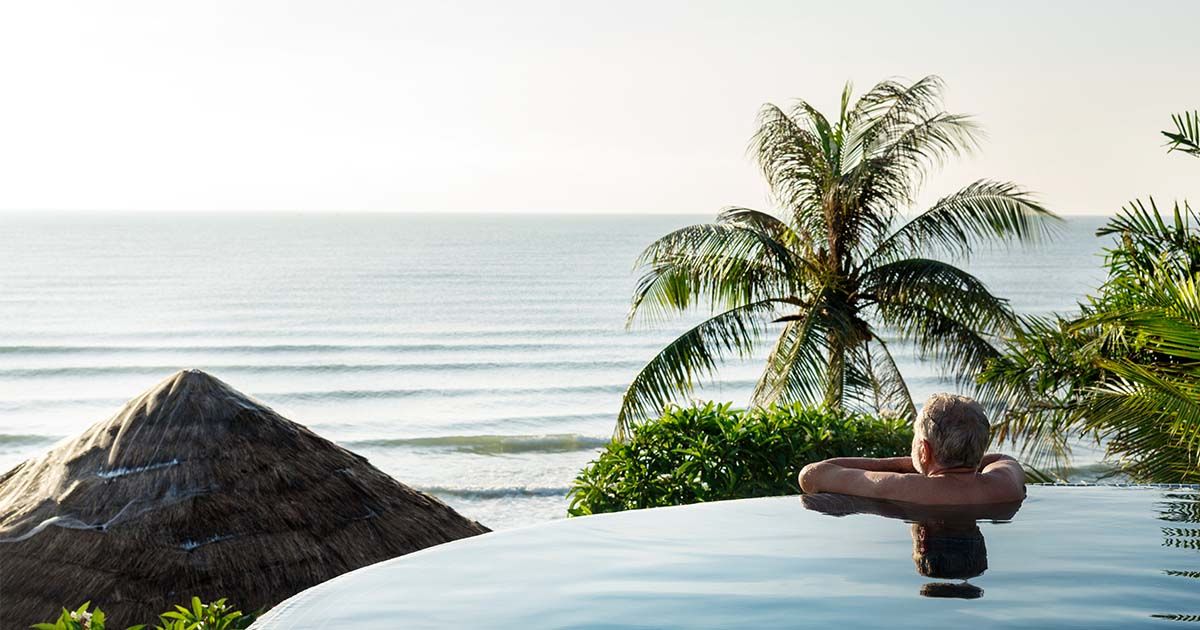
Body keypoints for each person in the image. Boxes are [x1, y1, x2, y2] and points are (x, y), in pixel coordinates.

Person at [797, 393, 1025, 505]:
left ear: (924, 451)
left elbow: (811, 476)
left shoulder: (904, 486)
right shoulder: (1005, 484)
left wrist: (906, 464)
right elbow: (1003, 458)